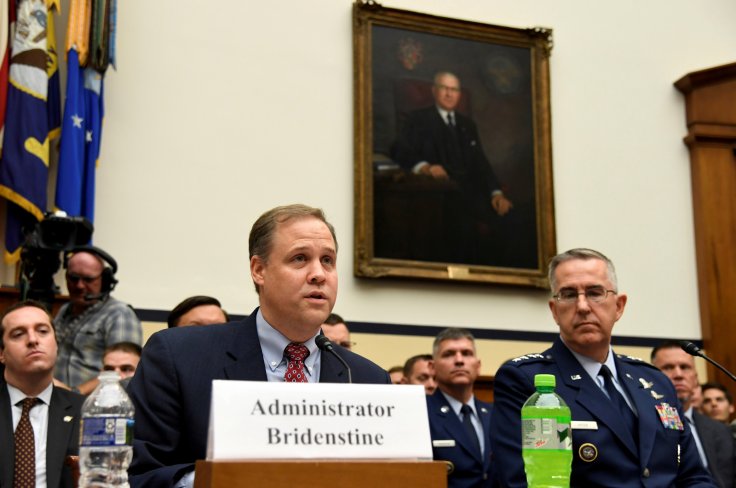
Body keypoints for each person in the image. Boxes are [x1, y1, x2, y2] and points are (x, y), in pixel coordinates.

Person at [127, 204, 391, 487]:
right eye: (300, 258)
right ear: (259, 270)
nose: (319, 274)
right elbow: (137, 473)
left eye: (328, 260)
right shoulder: (178, 357)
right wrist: (219, 480)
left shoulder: (368, 379)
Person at [490, 248, 715, 487]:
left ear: (619, 306)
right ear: (555, 311)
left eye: (595, 293)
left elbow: (692, 476)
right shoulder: (528, 380)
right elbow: (524, 482)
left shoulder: (655, 382)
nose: (583, 306)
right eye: (568, 294)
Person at [391, 71, 513, 265]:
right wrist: (425, 167)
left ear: (459, 94)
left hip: (473, 194)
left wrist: (496, 193)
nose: (449, 94)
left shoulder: (467, 125)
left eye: (454, 89)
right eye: (444, 88)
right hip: (440, 196)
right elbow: (400, 150)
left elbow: (481, 163)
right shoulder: (418, 119)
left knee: (512, 220)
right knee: (460, 230)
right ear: (434, 91)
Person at [0, 300, 84, 488]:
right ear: (1, 353)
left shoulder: (85, 410)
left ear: (56, 343)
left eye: (43, 331)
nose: (33, 339)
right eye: (18, 334)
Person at [54, 245, 142, 395]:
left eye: (88, 279)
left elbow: (122, 376)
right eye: (74, 278)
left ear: (105, 280)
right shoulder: (64, 311)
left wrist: (74, 393)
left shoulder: (119, 315)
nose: (79, 285)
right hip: (59, 401)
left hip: (93, 404)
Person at [651, 341, 735, 488]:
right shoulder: (641, 422)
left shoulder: (720, 430)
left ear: (695, 378)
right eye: (668, 367)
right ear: (651, 376)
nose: (678, 375)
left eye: (685, 367)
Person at [426, 328, 492, 487]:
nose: (459, 360)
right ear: (432, 367)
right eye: (448, 354)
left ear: (478, 365)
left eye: (467, 353)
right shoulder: (421, 412)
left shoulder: (495, 413)